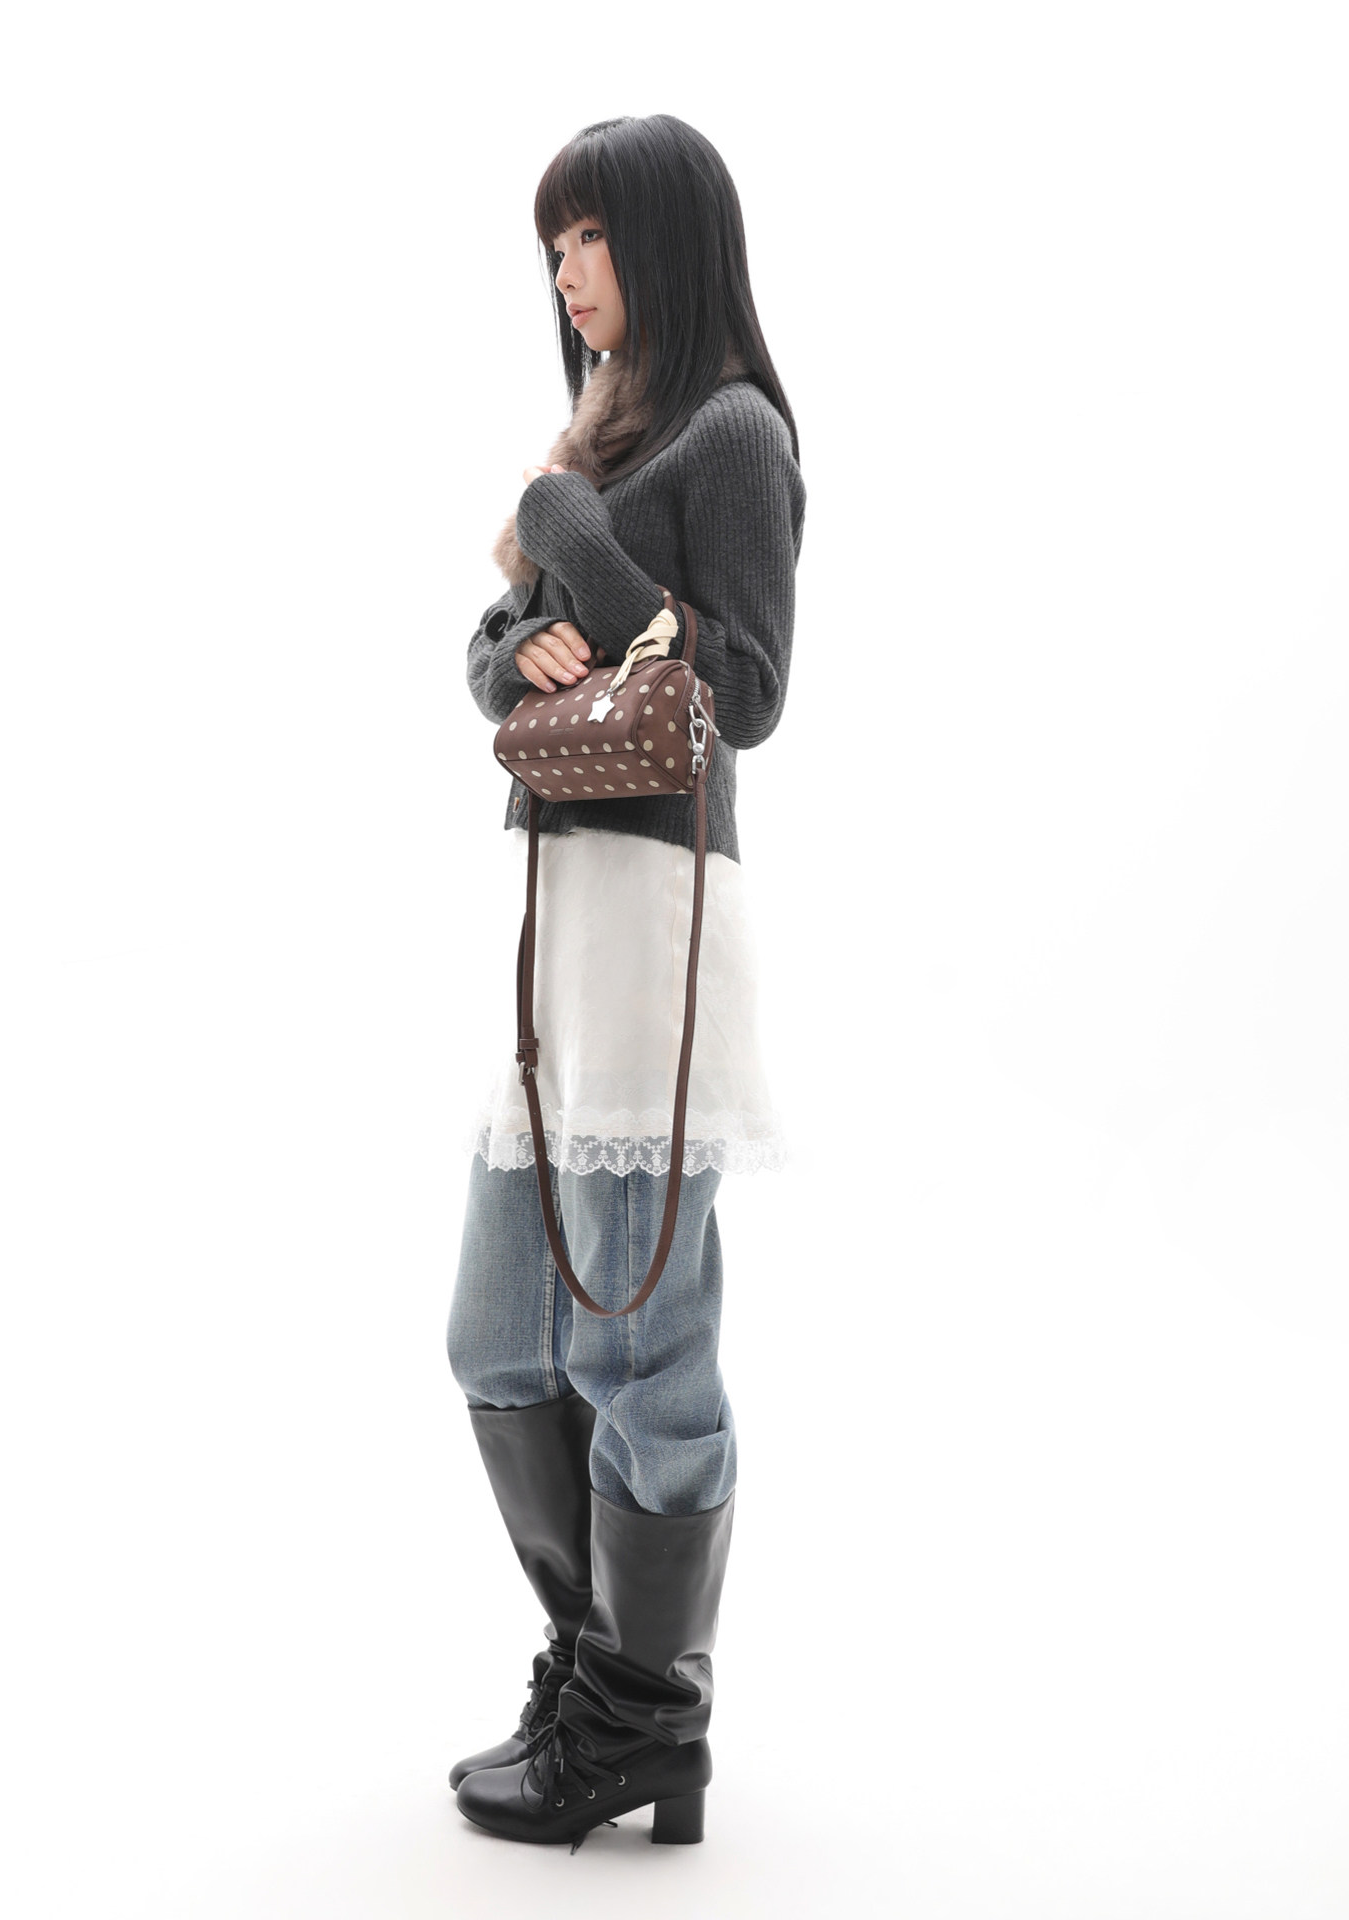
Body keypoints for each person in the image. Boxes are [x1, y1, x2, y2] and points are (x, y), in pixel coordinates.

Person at [446, 112, 807, 1852]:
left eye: (590, 237)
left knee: (636, 1337)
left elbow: (743, 688)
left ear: (663, 242)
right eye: (556, 244)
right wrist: (527, 633)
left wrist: (564, 533)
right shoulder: (600, 431)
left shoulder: (732, 434)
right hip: (553, 925)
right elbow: (487, 659)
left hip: (654, 924)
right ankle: (601, 1666)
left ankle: (648, 1717)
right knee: (499, 1333)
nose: (567, 271)